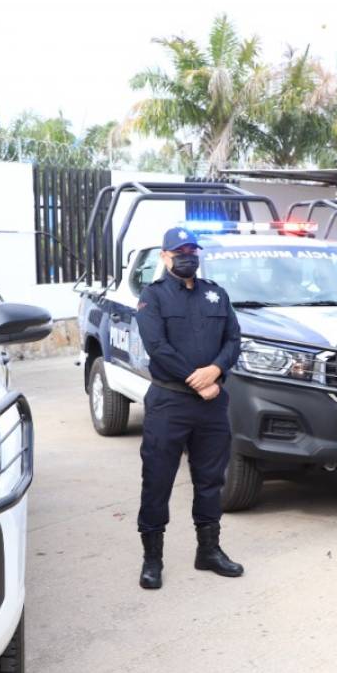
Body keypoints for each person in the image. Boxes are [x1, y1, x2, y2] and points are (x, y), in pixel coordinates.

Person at [133, 226, 244, 590]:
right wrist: (197, 380)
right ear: (165, 257)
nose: (187, 257)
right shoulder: (153, 296)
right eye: (179, 252)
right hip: (169, 402)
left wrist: (216, 371)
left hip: (211, 405)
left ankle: (208, 550)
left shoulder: (216, 293)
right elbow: (157, 346)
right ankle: (152, 559)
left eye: (192, 251)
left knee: (211, 480)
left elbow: (233, 339)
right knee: (157, 480)